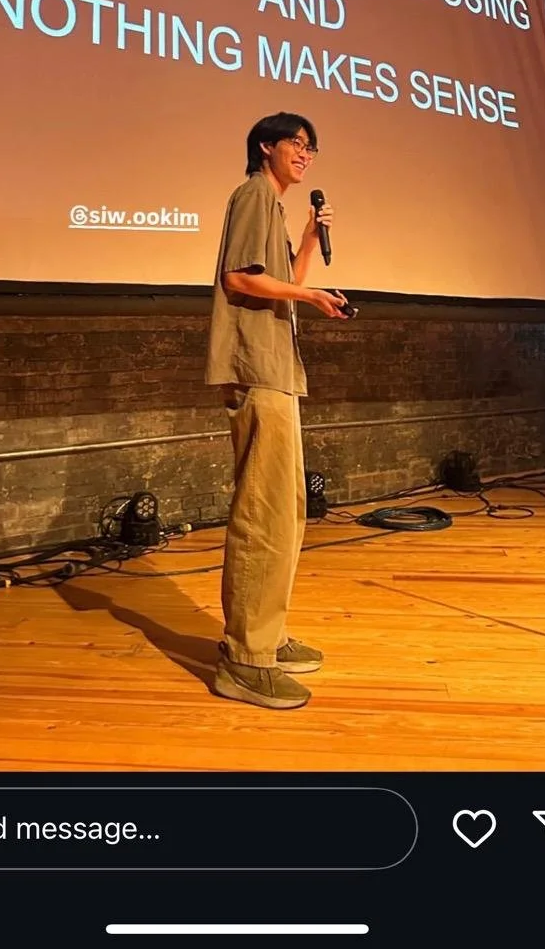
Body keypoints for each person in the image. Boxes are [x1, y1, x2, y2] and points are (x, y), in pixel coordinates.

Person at [205, 110, 348, 710]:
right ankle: (247, 659)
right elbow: (241, 279)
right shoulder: (253, 194)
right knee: (264, 514)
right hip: (257, 369)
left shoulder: (276, 205)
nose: (305, 153)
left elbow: (282, 277)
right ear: (266, 146)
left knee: (286, 511)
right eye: (297, 142)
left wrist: (312, 238)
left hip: (277, 371)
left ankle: (265, 635)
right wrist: (309, 295)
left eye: (311, 147)